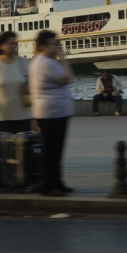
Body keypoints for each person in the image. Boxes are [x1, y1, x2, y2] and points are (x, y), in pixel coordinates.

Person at [29, 30, 74, 197]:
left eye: (57, 44)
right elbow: (67, 78)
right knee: (52, 151)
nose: (56, 48)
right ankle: (48, 185)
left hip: (53, 111)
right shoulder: (46, 62)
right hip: (51, 113)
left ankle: (56, 181)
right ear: (42, 46)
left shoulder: (41, 61)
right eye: (53, 45)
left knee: (54, 150)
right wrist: (63, 59)